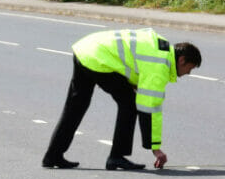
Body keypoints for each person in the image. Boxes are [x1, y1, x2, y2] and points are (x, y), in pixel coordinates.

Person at [42, 28, 201, 170]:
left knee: (75, 107)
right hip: (99, 59)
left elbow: (131, 60)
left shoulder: (161, 46)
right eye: (190, 68)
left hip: (86, 49)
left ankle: (53, 155)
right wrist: (155, 148)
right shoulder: (160, 65)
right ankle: (116, 157)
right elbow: (150, 109)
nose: (188, 73)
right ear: (181, 60)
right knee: (129, 104)